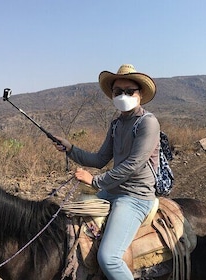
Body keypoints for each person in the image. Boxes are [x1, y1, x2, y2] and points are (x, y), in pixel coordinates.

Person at [54, 64, 160, 279]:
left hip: (135, 196)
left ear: (140, 94)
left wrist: (94, 181)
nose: (123, 95)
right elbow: (101, 159)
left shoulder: (148, 123)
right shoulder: (116, 124)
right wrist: (71, 149)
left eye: (129, 91)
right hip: (111, 190)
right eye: (118, 91)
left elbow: (134, 164)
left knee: (109, 258)